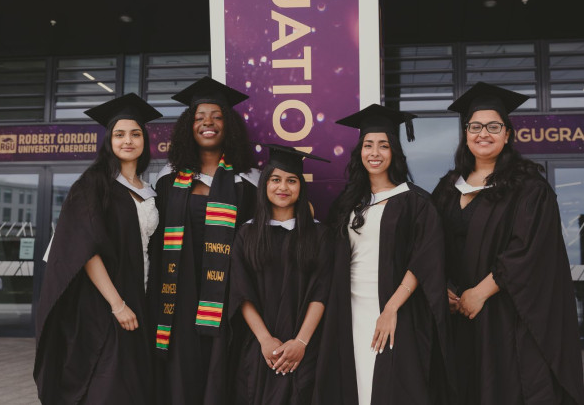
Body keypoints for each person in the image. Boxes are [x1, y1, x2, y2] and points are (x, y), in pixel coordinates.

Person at [432, 82, 584, 405]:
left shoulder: (528, 188)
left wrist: (480, 293)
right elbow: (431, 244)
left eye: (493, 126)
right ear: (466, 132)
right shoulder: (446, 189)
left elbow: (528, 249)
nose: (482, 133)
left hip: (504, 317)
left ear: (507, 135)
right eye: (475, 126)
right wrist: (442, 288)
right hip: (457, 315)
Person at [314, 105, 455, 405]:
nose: (374, 153)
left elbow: (425, 258)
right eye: (368, 145)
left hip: (395, 309)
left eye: (383, 145)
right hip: (348, 308)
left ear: (395, 153)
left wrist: (391, 309)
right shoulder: (348, 203)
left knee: (394, 387)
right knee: (356, 385)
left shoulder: (416, 202)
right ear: (359, 152)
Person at [34, 94, 163, 404]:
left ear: (144, 139)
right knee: (109, 385)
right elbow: (85, 249)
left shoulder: (150, 190)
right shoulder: (94, 185)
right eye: (119, 134)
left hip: (142, 298)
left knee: (136, 385)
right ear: (109, 140)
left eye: (135, 133)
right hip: (104, 303)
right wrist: (117, 304)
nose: (127, 141)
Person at [149, 76, 259, 405]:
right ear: (188, 127)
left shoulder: (248, 182)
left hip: (228, 294)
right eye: (199, 117)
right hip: (178, 293)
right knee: (182, 370)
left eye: (216, 116)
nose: (207, 123)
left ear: (230, 126)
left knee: (223, 367)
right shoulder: (169, 180)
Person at [228, 144, 333, 405]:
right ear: (264, 184)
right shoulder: (246, 234)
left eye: (291, 180)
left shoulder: (319, 235)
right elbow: (242, 293)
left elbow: (321, 291)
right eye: (275, 180)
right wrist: (265, 340)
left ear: (301, 187)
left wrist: (300, 342)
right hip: (261, 349)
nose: (283, 187)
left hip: (306, 348)